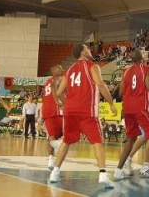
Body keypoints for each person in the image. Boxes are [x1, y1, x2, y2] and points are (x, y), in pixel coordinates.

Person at [49, 44, 117, 188]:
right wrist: (111, 103)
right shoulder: (92, 66)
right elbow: (101, 85)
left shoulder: (70, 70)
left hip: (70, 111)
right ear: (82, 52)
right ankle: (103, 174)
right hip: (87, 111)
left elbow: (60, 92)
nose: (90, 50)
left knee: (66, 141)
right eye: (87, 48)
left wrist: (69, 104)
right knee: (97, 142)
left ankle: (55, 172)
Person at [113, 49, 149, 186]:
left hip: (128, 108)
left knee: (130, 139)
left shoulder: (126, 71)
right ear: (141, 58)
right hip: (142, 107)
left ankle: (118, 170)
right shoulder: (146, 68)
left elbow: (120, 92)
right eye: (144, 53)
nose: (146, 54)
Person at [42, 65, 65, 170]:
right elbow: (53, 85)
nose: (61, 69)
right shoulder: (57, 79)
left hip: (48, 110)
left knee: (53, 136)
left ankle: (51, 159)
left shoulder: (48, 81)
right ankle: (53, 156)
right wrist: (57, 101)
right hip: (54, 110)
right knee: (61, 137)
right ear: (53, 70)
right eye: (59, 68)